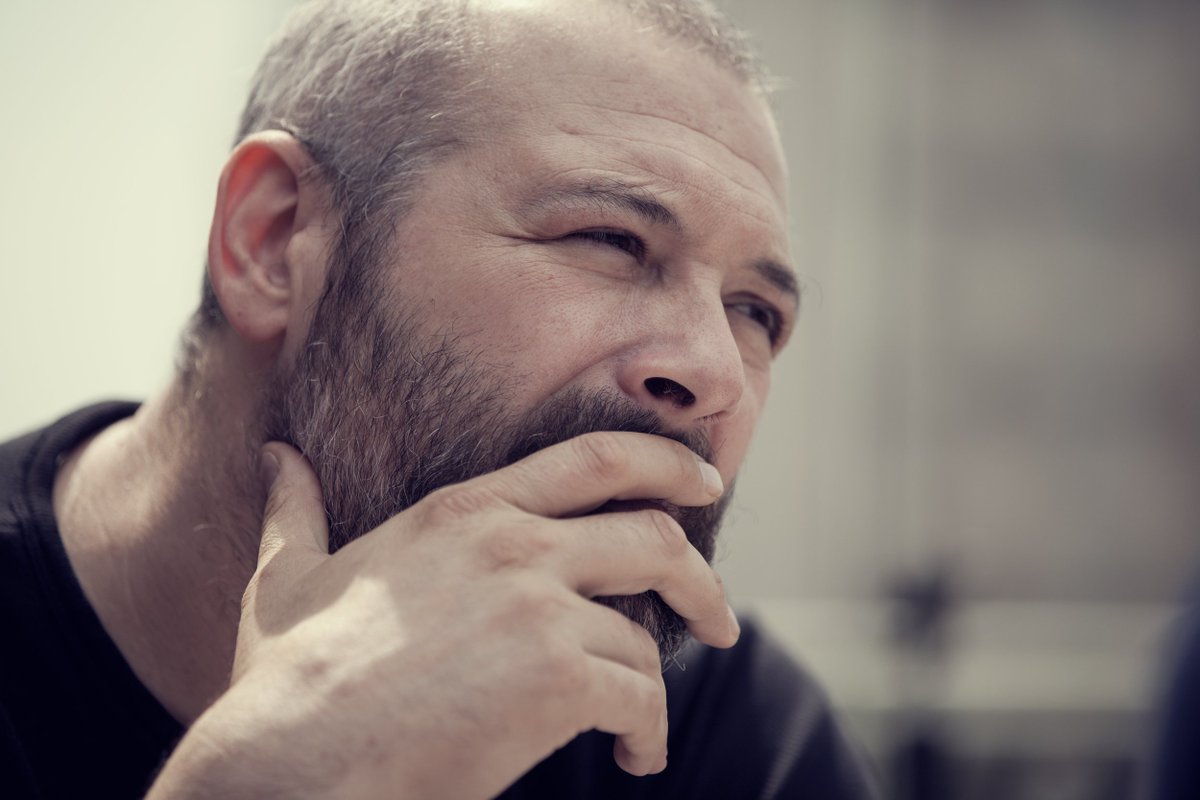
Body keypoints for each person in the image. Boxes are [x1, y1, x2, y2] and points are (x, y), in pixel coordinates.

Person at [0, 0, 877, 797]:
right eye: (610, 239)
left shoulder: (736, 737)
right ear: (272, 242)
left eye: (755, 312)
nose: (716, 373)